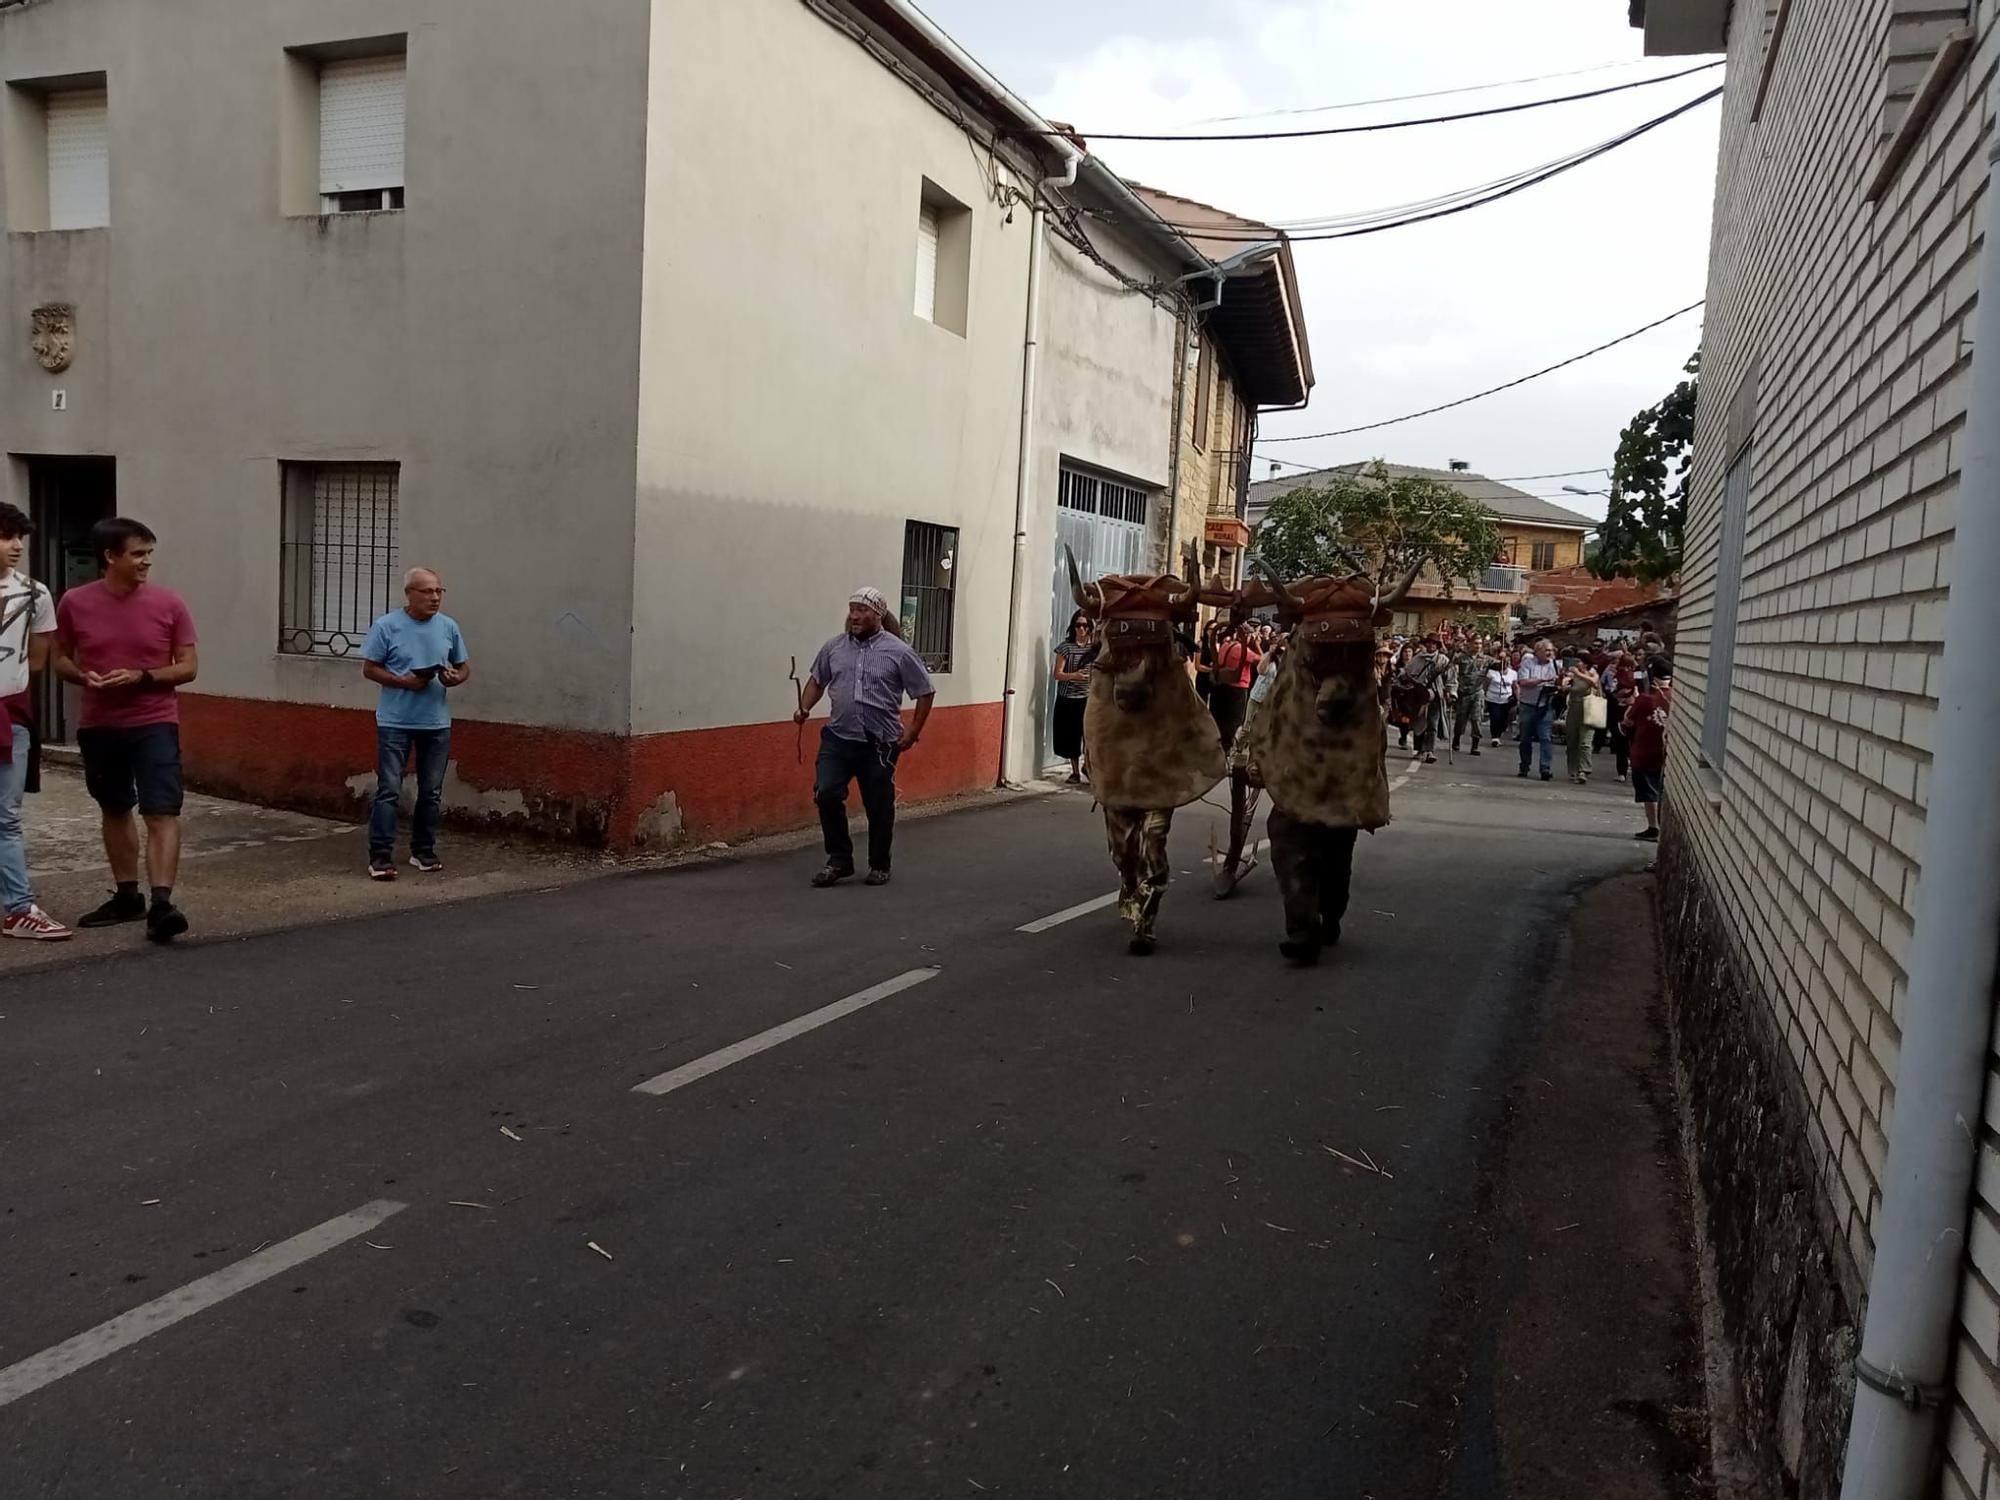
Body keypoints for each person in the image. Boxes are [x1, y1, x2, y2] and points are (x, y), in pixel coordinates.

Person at [53, 517, 198, 942]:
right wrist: (83, 677)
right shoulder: (74, 603)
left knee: (161, 810)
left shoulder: (169, 604)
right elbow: (59, 657)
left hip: (154, 721)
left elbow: (189, 666)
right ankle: (127, 896)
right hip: (99, 724)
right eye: (138, 554)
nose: (146, 562)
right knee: (115, 808)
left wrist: (142, 676)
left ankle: (162, 904)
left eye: (149, 553)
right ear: (110, 556)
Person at [795, 587, 935, 887]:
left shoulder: (898, 652)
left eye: (862, 611)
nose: (855, 616)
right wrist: (804, 707)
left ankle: (879, 864)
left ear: (878, 614)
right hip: (838, 739)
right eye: (852, 610)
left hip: (880, 744)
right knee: (827, 792)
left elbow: (924, 691)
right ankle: (839, 860)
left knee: (879, 806)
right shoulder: (834, 648)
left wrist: (912, 731)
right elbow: (817, 681)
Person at [359, 568, 470, 879]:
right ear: (409, 594)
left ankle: (423, 851)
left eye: (438, 591)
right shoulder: (386, 626)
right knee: (390, 789)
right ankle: (380, 857)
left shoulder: (448, 627)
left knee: (431, 791)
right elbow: (369, 669)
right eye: (427, 592)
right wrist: (402, 682)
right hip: (395, 721)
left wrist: (453, 677)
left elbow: (463, 667)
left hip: (436, 722)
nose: (434, 598)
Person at [0, 503, 69, 940]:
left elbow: (39, 658)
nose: (16, 546)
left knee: (7, 816)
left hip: (11, 712)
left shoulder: (35, 593)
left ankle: (19, 908)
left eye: (20, 537)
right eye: (6, 536)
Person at [1624, 657, 1674, 841]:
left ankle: (1653, 826)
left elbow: (1627, 720)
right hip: (1666, 753)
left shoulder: (1644, 699)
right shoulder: (1675, 697)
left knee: (1648, 792)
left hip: (1644, 751)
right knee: (1661, 791)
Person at [1051, 611, 1094, 784]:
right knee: (1071, 737)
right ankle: (1075, 772)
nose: (1081, 629)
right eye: (1078, 625)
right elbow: (1057, 674)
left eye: (1085, 625)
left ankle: (1088, 767)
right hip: (1069, 698)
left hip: (1089, 697)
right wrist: (1075, 675)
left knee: (1089, 736)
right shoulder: (1066, 648)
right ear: (1073, 627)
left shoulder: (1094, 649)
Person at [1396, 634, 1450, 764]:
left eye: (1434, 644)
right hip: (1419, 696)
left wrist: (1451, 692)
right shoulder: (1418, 658)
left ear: (1437, 646)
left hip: (1436, 695)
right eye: (1429, 643)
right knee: (1419, 722)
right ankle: (1418, 748)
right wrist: (1405, 679)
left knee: (1433, 724)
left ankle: (1429, 751)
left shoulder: (1443, 660)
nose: (1431, 646)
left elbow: (1451, 679)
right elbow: (1406, 672)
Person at [1208, 621, 1260, 748]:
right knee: (1233, 722)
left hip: (1220, 686)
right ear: (1247, 635)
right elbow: (1262, 661)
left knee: (1218, 719)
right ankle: (1227, 749)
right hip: (1237, 690)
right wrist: (1256, 644)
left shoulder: (1226, 644)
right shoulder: (1242, 650)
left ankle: (1216, 746)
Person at [1514, 637, 1560, 781]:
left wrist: (1558, 686)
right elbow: (1523, 682)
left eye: (1551, 650)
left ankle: (1545, 768)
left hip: (1546, 705)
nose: (1550, 653)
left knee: (1545, 738)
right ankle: (1525, 765)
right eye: (1546, 650)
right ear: (1538, 651)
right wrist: (1542, 681)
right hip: (1528, 705)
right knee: (1525, 738)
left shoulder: (1555, 665)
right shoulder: (1528, 663)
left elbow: (1560, 682)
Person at [1561, 654, 1602, 784]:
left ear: (1586, 663)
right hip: (1574, 707)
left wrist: (1578, 673)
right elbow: (1565, 685)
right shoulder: (1572, 674)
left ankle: (1584, 770)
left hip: (1590, 707)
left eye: (1580, 661)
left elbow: (1593, 682)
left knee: (1585, 741)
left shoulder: (1592, 673)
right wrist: (1565, 683)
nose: (1577, 664)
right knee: (1572, 739)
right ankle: (1573, 769)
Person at [1450, 637, 1493, 756]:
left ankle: (1475, 745)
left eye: (1480, 643)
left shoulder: (1486, 659)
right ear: (1469, 644)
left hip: (1477, 692)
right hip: (1463, 692)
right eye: (1475, 643)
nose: (1478, 646)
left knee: (1476, 718)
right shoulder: (1461, 658)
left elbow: (1501, 666)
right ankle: (1457, 739)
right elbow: (1451, 668)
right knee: (1461, 718)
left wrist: (1503, 657)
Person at [1602, 651, 1640, 782]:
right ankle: (1634, 765)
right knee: (1633, 740)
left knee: (1620, 742)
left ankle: (1621, 772)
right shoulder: (1636, 677)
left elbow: (1611, 689)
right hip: (1634, 711)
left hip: (1618, 710)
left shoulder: (1618, 676)